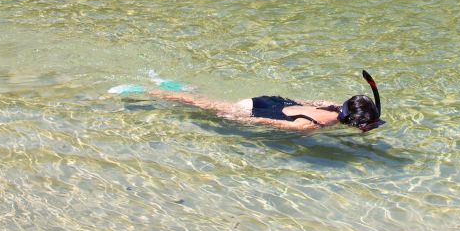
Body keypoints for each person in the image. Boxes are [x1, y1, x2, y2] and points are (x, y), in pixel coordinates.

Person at [111, 70, 385, 132]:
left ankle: (171, 83)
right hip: (257, 110)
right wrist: (240, 118)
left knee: (205, 98)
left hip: (273, 100)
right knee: (201, 106)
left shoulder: (331, 105)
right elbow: (269, 123)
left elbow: (306, 102)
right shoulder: (311, 127)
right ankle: (149, 91)